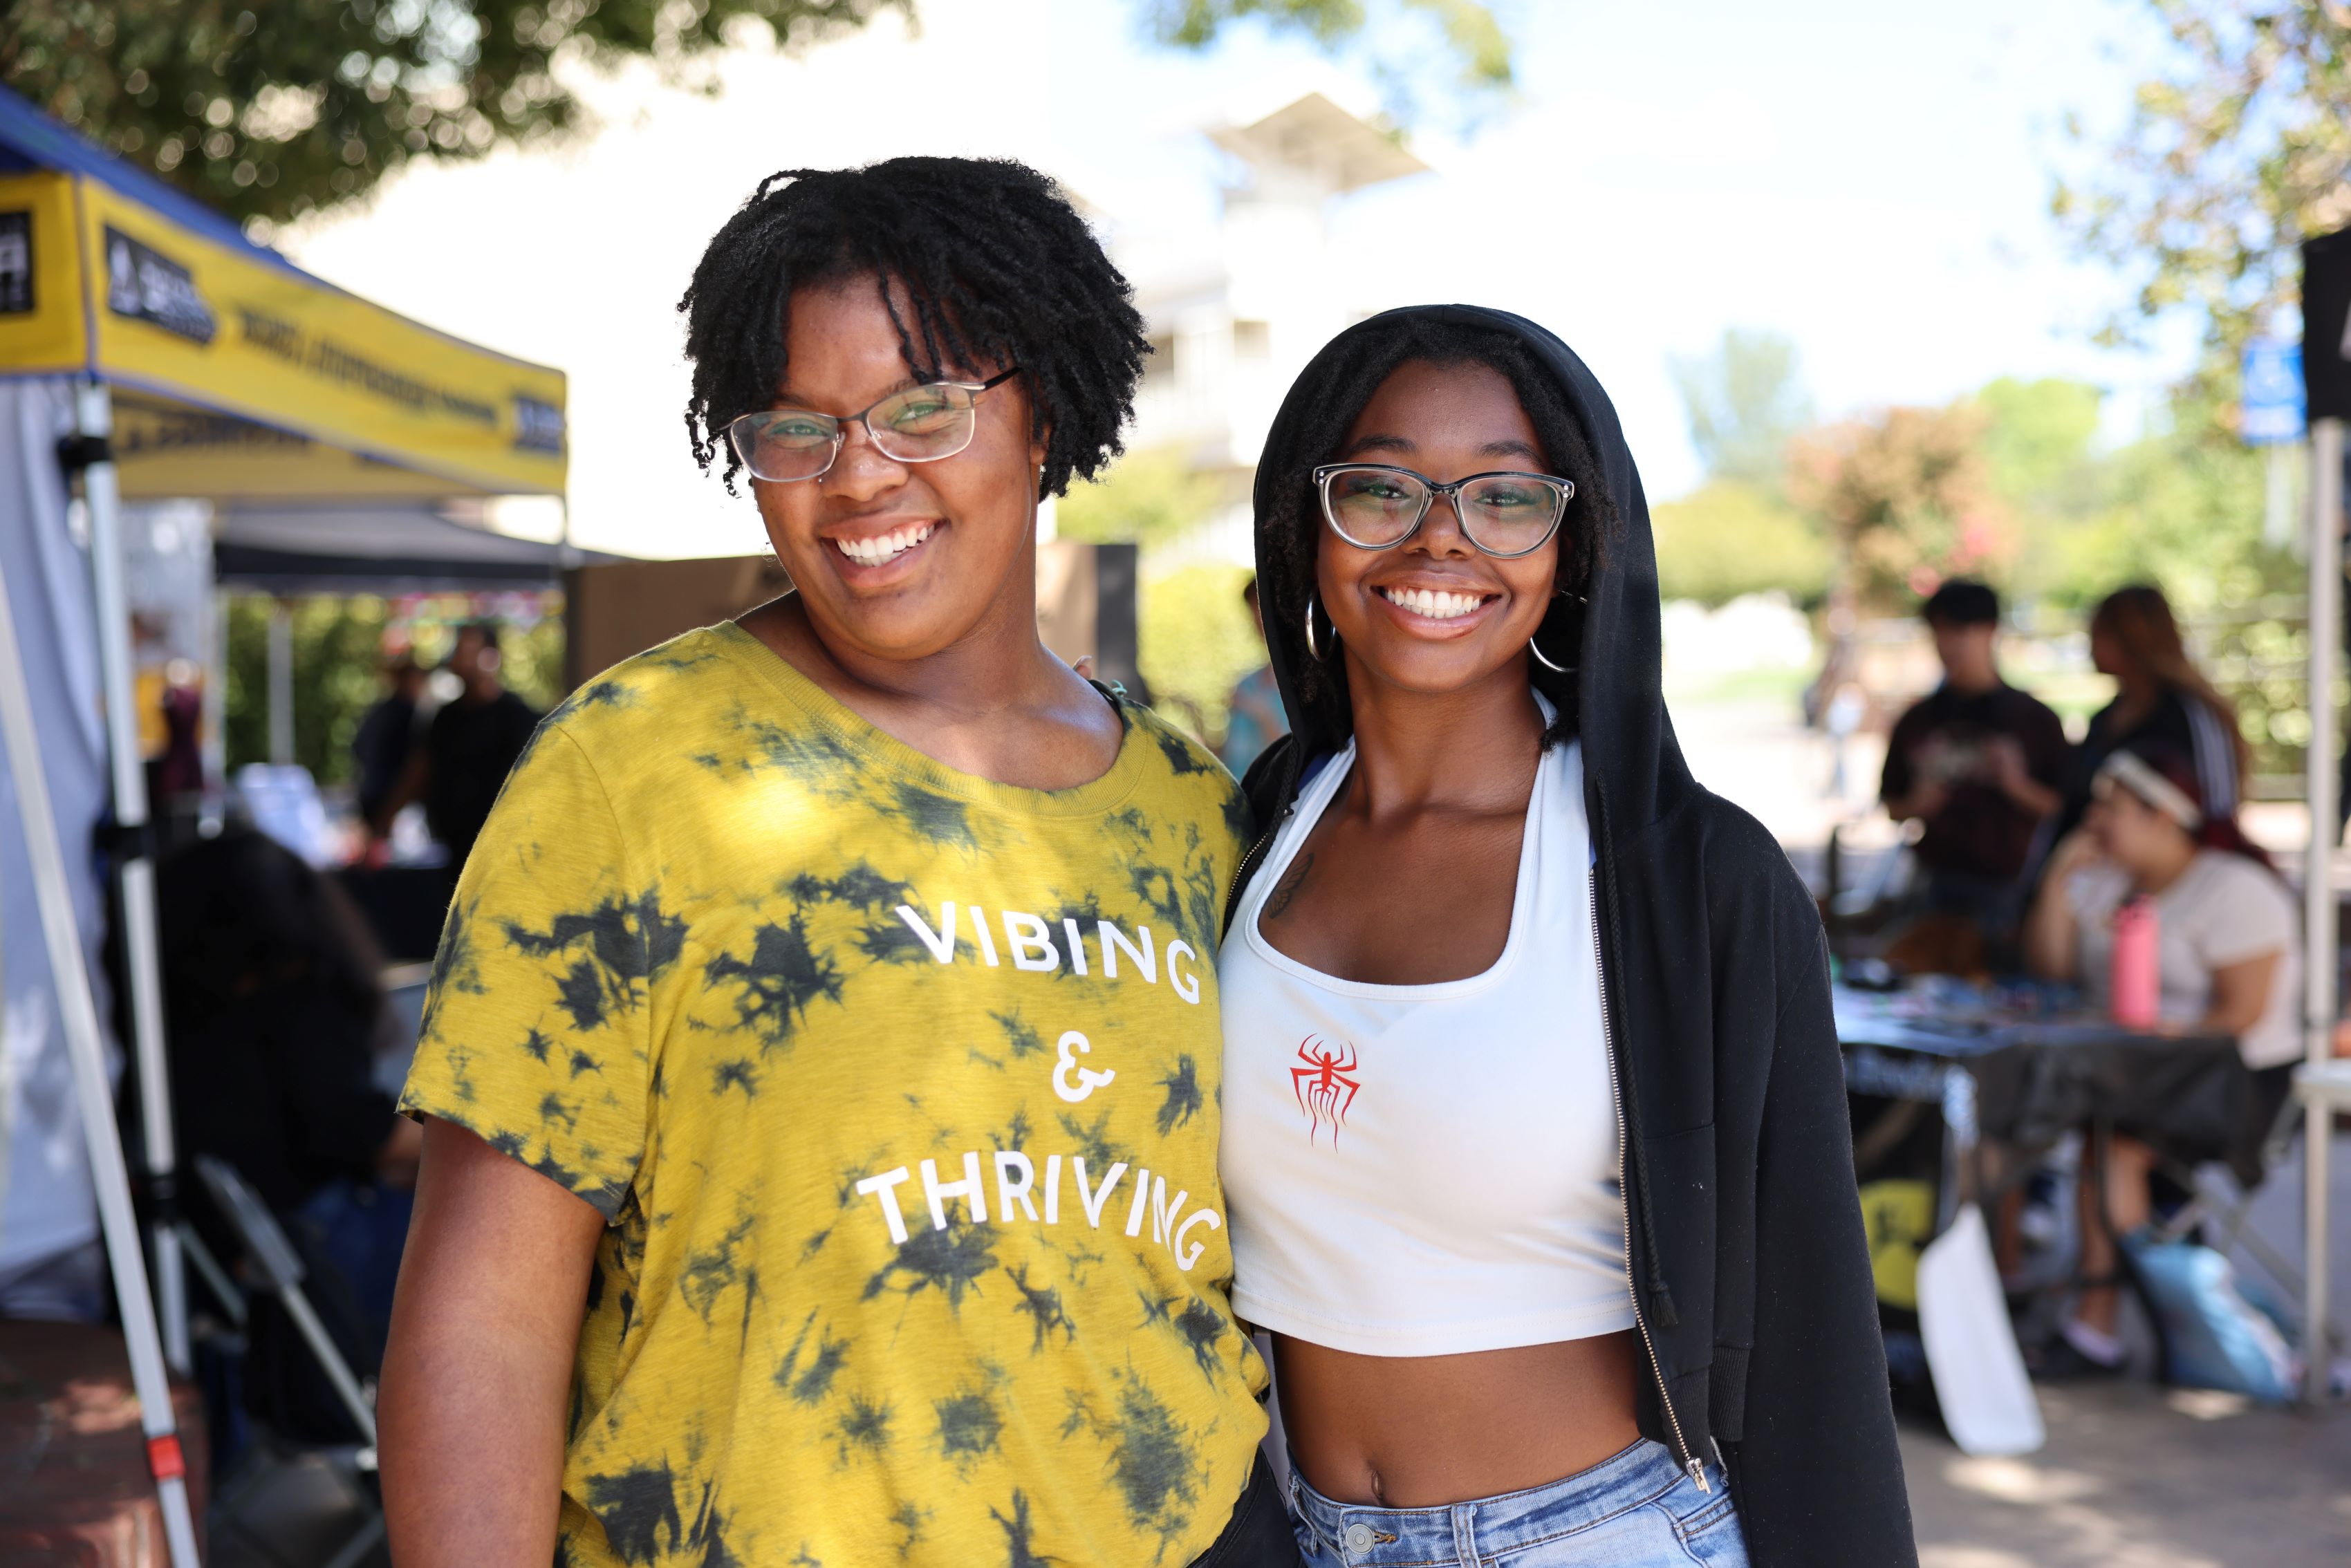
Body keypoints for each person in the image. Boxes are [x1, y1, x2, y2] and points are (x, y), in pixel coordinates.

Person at [380, 158, 1296, 1568]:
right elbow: (482, 1323)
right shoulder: (633, 771)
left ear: (1044, 407)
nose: (858, 474)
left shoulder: (1191, 808)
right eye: (796, 429)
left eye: (921, 407)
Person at [1220, 306, 1913, 1567]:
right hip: (1308, 1535)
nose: (1442, 534)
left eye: (1506, 496)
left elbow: (1814, 1322)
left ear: (1574, 541)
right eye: (1379, 487)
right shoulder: (1258, 828)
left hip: (1597, 1536)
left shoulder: (1688, 877)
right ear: (1302, 524)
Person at [2020, 743, 2299, 1375]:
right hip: (2123, 1071)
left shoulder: (2235, 889)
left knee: (2110, 1145)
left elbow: (2241, 1014)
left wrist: (2162, 1037)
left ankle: (2100, 1327)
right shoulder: (2104, 882)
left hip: (2232, 1081)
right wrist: (2058, 876)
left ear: (2163, 817)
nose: (2094, 819)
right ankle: (2010, 1284)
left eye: (2110, 807)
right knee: (2009, 1114)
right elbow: (2052, 968)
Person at [1878, 579, 2068, 938]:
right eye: (1939, 632)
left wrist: (2016, 785)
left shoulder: (2034, 719)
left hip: (2009, 888)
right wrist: (1919, 802)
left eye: (1959, 630)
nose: (1947, 644)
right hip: (1935, 881)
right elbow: (1891, 804)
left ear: (1990, 630)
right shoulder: (1920, 718)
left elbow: (2065, 808)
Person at [2054, 584, 2245, 843]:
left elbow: (2218, 810)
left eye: (2100, 633)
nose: (2090, 646)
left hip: (2170, 875)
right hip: (2098, 872)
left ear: (2132, 638)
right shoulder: (2105, 719)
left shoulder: (2193, 716)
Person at [369, 622, 539, 867]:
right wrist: (385, 821)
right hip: (456, 848)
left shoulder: (518, 718)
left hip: (505, 851)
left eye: (470, 652)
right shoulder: (446, 718)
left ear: (492, 657)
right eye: (458, 653)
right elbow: (421, 769)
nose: (461, 662)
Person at [1221, 576, 1289, 776]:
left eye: (1265, 616)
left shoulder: (1307, 688)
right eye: (1256, 618)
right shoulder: (1245, 685)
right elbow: (1228, 760)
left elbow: (1297, 761)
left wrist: (1262, 714)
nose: (1262, 626)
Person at [351, 652, 426, 827]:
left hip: (372, 792)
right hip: (392, 798)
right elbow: (416, 762)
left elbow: (358, 747)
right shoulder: (404, 714)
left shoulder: (380, 711)